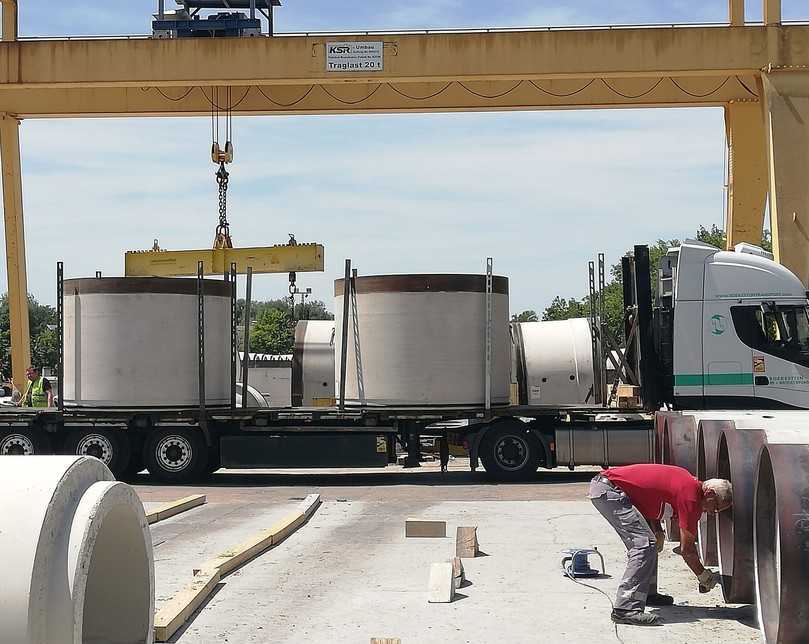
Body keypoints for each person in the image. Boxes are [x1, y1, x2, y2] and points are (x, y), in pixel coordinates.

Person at [588, 463, 732, 626]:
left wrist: (657, 530)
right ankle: (625, 609)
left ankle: (646, 594)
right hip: (610, 491)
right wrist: (703, 576)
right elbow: (687, 550)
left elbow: (650, 496)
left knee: (651, 541)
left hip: (608, 488)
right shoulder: (691, 497)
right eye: (716, 506)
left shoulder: (688, 483)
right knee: (644, 545)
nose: (713, 513)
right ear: (710, 493)